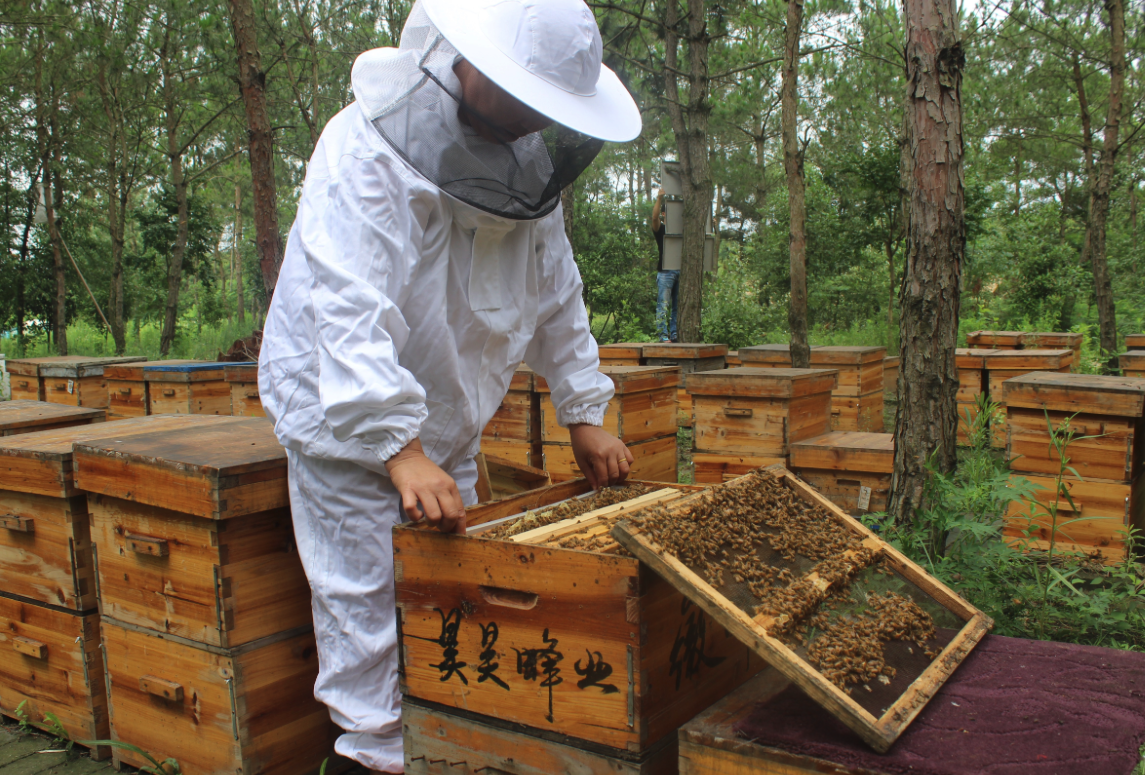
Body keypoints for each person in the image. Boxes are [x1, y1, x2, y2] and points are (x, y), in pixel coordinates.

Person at [257, 1, 641, 772]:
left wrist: (583, 411)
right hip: (350, 432)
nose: (536, 119)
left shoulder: (526, 170)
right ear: (469, 61)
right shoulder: (364, 148)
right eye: (524, 96)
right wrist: (397, 447)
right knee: (370, 632)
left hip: (444, 434)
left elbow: (555, 291)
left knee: (449, 627)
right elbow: (347, 302)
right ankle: (370, 761)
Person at [651, 188, 678, 342]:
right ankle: (663, 336)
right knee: (663, 305)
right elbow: (654, 218)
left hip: (679, 271)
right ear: (664, 214)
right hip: (665, 272)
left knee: (677, 307)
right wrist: (659, 199)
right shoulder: (661, 229)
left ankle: (674, 335)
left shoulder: (680, 231)